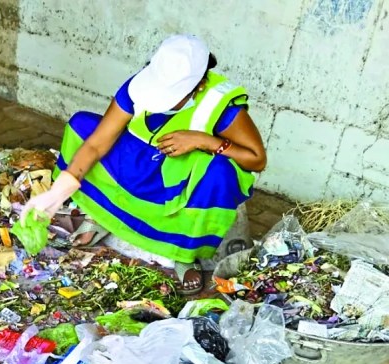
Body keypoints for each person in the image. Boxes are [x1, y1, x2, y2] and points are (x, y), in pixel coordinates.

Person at [22, 35, 267, 295]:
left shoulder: (221, 106)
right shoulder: (142, 84)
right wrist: (58, 192)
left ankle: (182, 253)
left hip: (179, 172)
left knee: (221, 173)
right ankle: (104, 215)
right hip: (141, 157)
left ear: (199, 85)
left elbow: (257, 159)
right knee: (82, 126)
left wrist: (205, 141)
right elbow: (98, 143)